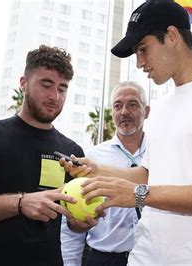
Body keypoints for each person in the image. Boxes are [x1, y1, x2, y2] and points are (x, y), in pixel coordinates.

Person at [60, 1, 192, 264]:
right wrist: (98, 170)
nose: (139, 63)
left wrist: (138, 194)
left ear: (172, 36)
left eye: (143, 49)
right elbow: (148, 176)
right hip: (147, 257)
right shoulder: (160, 109)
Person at [0, 45, 94, 266]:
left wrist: (82, 221)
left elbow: (71, 218)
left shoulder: (72, 152)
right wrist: (20, 202)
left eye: (62, 89)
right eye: (46, 84)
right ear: (23, 83)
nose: (54, 96)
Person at [61, 81, 149, 266]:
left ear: (146, 111)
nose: (124, 111)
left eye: (132, 104)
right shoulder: (92, 157)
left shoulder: (163, 153)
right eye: (118, 105)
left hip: (154, 257)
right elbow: (70, 225)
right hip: (104, 258)